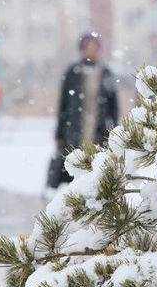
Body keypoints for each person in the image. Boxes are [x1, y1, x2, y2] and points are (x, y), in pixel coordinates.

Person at [49, 33, 119, 191]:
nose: (91, 52)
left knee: (96, 170)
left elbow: (114, 107)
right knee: (75, 169)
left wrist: (114, 131)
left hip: (98, 130)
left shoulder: (106, 74)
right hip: (74, 129)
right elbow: (63, 105)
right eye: (87, 48)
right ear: (81, 50)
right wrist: (59, 133)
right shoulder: (72, 73)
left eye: (94, 48)